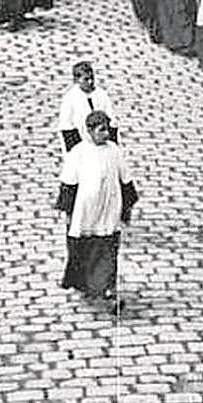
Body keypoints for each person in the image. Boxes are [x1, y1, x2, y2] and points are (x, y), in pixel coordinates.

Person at [55, 110, 138, 306]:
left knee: (108, 247)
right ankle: (85, 283)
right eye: (101, 130)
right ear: (90, 131)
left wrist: (126, 209)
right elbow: (69, 184)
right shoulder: (78, 153)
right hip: (86, 212)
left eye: (107, 130)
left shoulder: (114, 151)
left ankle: (108, 288)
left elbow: (125, 179)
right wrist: (68, 212)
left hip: (108, 209)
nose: (106, 134)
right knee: (85, 247)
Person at [58, 62, 115, 152]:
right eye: (86, 79)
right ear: (76, 80)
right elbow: (67, 127)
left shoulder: (102, 95)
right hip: (82, 149)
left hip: (102, 145)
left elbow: (111, 122)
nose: (90, 82)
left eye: (92, 78)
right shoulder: (70, 99)